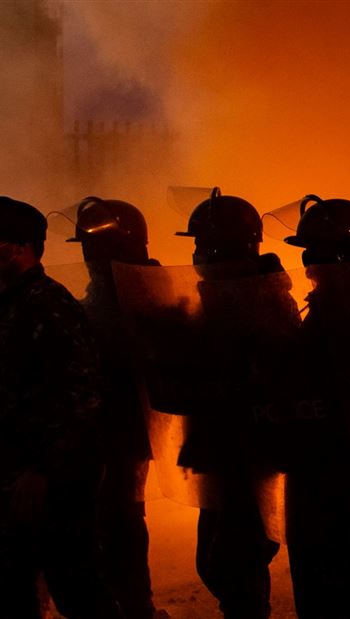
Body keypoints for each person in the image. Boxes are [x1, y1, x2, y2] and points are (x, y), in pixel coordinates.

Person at [263, 194, 350, 618]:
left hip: (346, 481)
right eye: (310, 253)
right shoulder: (326, 313)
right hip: (314, 476)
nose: (311, 265)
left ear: (347, 255)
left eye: (320, 253)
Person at [0, 196, 123, 618]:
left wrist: (42, 470)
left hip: (51, 481)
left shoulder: (48, 306)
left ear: (16, 248)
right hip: (17, 476)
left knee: (77, 587)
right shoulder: (12, 305)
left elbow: (80, 398)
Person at [175, 188, 293, 619]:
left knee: (234, 557)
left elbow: (260, 381)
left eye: (201, 243)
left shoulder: (259, 301)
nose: (196, 253)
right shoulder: (226, 297)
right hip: (224, 451)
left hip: (249, 452)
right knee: (220, 558)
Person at [61, 197, 163, 619]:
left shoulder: (143, 294)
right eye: (87, 249)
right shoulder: (116, 292)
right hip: (109, 425)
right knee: (116, 517)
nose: (90, 258)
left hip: (121, 425)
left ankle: (134, 604)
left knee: (118, 518)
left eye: (96, 249)